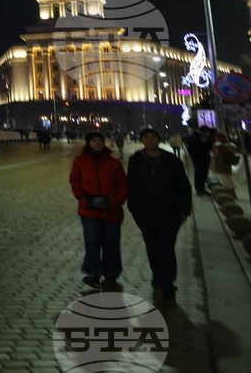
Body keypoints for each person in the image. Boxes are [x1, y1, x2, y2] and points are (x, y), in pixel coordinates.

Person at [127, 128, 191, 307]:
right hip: (144, 213)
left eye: (154, 137)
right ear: (142, 140)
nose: (150, 140)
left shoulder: (172, 160)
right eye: (146, 137)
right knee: (152, 245)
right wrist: (134, 208)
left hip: (170, 213)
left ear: (159, 139)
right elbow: (130, 184)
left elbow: (184, 186)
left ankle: (168, 285)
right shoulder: (136, 160)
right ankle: (157, 273)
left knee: (165, 247)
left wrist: (184, 211)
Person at [70, 131, 129, 290]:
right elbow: (74, 180)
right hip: (89, 210)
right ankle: (93, 274)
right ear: (88, 143)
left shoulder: (114, 162)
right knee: (92, 242)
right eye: (94, 141)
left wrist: (116, 201)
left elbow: (123, 185)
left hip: (111, 210)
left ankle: (111, 274)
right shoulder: (80, 161)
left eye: (100, 140)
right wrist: (82, 198)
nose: (98, 143)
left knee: (111, 244)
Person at [187, 126, 214, 196]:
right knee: (199, 173)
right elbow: (190, 147)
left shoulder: (206, 137)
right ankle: (198, 189)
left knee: (204, 173)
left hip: (206, 157)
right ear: (200, 131)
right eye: (204, 132)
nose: (205, 133)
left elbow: (210, 146)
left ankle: (203, 189)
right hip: (197, 158)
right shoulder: (193, 137)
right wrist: (200, 142)